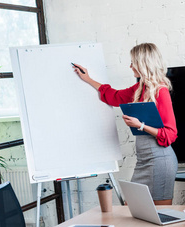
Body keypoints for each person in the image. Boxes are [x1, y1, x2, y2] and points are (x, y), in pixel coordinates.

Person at [73, 43, 178, 205]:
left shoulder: (160, 91)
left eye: (133, 62)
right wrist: (87, 79)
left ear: (143, 63)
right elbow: (114, 96)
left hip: (160, 160)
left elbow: (170, 134)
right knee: (132, 209)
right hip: (144, 161)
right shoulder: (140, 88)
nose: (130, 66)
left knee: (160, 215)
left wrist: (140, 126)